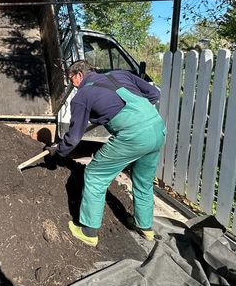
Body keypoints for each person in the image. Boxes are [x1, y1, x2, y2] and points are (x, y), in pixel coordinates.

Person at [47, 60, 166, 245]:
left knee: (95, 175)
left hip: (133, 135)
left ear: (79, 75)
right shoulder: (120, 74)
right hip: (157, 128)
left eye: (71, 80)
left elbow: (73, 137)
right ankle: (145, 227)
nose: (72, 85)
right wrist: (135, 114)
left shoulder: (82, 96)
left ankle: (88, 231)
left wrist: (58, 152)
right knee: (143, 181)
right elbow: (154, 94)